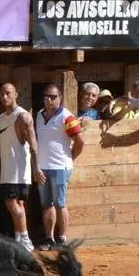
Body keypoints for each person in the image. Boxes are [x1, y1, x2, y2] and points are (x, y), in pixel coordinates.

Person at [0, 82, 43, 251]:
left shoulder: (23, 116)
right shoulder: (2, 117)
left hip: (19, 170)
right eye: (1, 94)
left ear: (16, 94)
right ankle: (20, 238)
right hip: (7, 169)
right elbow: (0, 143)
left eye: (8, 93)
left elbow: (33, 143)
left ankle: (25, 238)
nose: (4, 97)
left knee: (12, 203)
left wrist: (37, 168)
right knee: (17, 205)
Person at [35, 84, 84, 250]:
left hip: (60, 166)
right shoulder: (39, 116)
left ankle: (62, 239)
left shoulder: (67, 117)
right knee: (46, 204)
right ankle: (49, 238)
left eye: (53, 96)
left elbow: (80, 141)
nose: (49, 100)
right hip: (43, 167)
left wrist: (69, 159)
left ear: (60, 98)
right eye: (46, 96)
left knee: (60, 203)